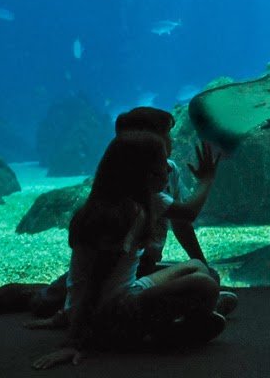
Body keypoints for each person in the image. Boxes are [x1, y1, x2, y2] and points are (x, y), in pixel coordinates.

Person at [0, 107, 237, 319]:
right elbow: (187, 214)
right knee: (48, 303)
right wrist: (206, 180)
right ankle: (40, 294)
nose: (171, 142)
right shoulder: (140, 186)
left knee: (204, 275)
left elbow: (181, 224)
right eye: (166, 135)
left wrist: (203, 264)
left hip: (138, 267)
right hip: (121, 272)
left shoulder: (166, 171)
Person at [32, 131, 224, 369]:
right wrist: (74, 341)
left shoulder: (127, 203)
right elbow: (95, 281)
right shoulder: (123, 216)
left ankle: (192, 313)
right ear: (144, 173)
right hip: (106, 316)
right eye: (163, 162)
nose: (169, 168)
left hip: (122, 294)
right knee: (205, 285)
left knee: (198, 267)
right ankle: (171, 332)